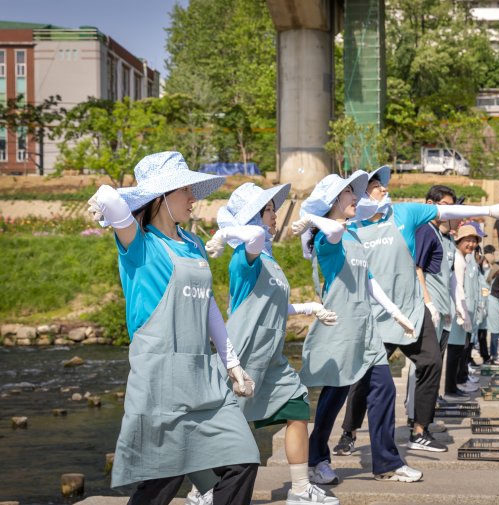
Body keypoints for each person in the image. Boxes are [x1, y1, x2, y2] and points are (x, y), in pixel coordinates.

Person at [86, 152, 259, 505]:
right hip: (160, 382)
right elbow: (107, 196)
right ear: (162, 196)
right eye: (185, 190)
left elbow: (208, 305)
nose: (194, 199)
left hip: (202, 378)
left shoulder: (193, 243)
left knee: (243, 459)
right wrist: (103, 199)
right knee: (161, 484)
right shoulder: (139, 243)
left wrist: (232, 363)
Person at [334, 166, 499, 455]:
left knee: (430, 362)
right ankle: (349, 433)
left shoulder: (405, 213)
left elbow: (445, 213)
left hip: (412, 310)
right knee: (364, 375)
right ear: (362, 195)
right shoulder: (352, 225)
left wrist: (490, 209)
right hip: (377, 315)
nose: (385, 190)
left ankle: (420, 429)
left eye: (384, 186)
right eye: (378, 186)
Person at [204, 182, 339, 505]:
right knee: (224, 426)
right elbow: (252, 237)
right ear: (254, 218)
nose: (275, 215)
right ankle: (203, 489)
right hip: (243, 351)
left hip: (270, 353)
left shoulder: (269, 258)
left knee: (297, 404)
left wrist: (309, 308)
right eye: (268, 210)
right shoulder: (245, 257)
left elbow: (274, 305)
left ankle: (300, 488)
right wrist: (225, 234)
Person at [291, 171, 423, 484]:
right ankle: (317, 459)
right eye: (350, 193)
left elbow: (368, 278)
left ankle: (387, 463)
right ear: (333, 201)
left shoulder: (352, 234)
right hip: (340, 326)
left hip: (366, 326)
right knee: (334, 396)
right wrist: (312, 217)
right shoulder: (328, 237)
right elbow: (332, 231)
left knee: (384, 388)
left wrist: (394, 311)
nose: (356, 198)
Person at [411, 185, 458, 428]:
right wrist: (428, 302)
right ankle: (415, 419)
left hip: (443, 312)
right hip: (430, 311)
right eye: (445, 206)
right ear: (430, 204)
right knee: (425, 365)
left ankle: (423, 417)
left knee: (434, 364)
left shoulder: (441, 236)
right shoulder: (425, 231)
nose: (449, 212)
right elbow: (416, 268)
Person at [445, 224, 483, 398]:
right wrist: (462, 311)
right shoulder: (457, 258)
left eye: (474, 241)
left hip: (463, 310)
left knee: (459, 349)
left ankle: (453, 386)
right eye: (468, 240)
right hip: (456, 312)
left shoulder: (464, 258)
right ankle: (450, 388)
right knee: (454, 351)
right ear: (459, 240)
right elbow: (457, 286)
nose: (471, 244)